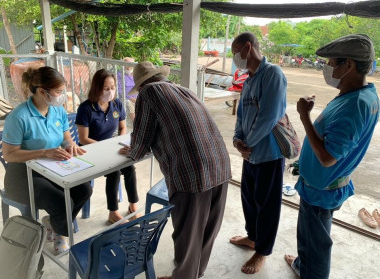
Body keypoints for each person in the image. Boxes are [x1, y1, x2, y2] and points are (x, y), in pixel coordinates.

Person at [285, 34, 379, 279]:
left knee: (316, 243)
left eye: (331, 63)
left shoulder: (354, 105)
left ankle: (311, 271)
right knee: (309, 235)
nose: (326, 68)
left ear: (348, 65)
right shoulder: (359, 95)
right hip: (320, 185)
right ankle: (303, 264)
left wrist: (304, 116)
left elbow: (328, 157)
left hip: (322, 189)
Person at [125, 61, 231, 279]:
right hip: (220, 165)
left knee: (187, 234)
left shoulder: (148, 93)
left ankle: (184, 276)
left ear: (142, 84)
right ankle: (195, 272)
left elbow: (141, 139)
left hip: (191, 173)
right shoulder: (183, 90)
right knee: (208, 229)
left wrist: (132, 151)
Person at [2, 66, 93, 253]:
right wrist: (44, 152)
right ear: (43, 92)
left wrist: (69, 145)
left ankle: (53, 223)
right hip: (22, 174)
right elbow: (9, 154)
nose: (62, 96)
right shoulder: (19, 117)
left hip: (52, 168)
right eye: (59, 92)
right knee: (60, 200)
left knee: (84, 189)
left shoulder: (57, 110)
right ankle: (61, 233)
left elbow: (65, 137)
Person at [229, 32, 287, 274]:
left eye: (235, 52)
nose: (234, 58)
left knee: (267, 204)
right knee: (249, 198)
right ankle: (253, 237)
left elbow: (269, 116)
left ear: (247, 48)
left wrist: (248, 144)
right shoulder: (249, 78)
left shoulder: (272, 74)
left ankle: (262, 251)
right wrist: (237, 140)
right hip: (250, 153)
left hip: (268, 154)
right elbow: (242, 114)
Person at [75, 69, 140, 224]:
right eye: (106, 88)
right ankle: (113, 212)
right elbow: (83, 139)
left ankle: (133, 205)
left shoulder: (116, 104)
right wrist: (106, 147)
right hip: (89, 150)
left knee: (129, 166)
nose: (110, 92)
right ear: (97, 88)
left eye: (112, 88)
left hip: (111, 147)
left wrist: (121, 142)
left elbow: (122, 128)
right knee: (114, 171)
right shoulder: (86, 108)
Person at [117, 57, 137, 121]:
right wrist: (130, 98)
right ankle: (136, 124)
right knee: (129, 103)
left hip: (136, 97)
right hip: (126, 98)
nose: (128, 68)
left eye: (130, 66)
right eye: (126, 65)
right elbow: (120, 90)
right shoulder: (119, 75)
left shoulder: (135, 75)